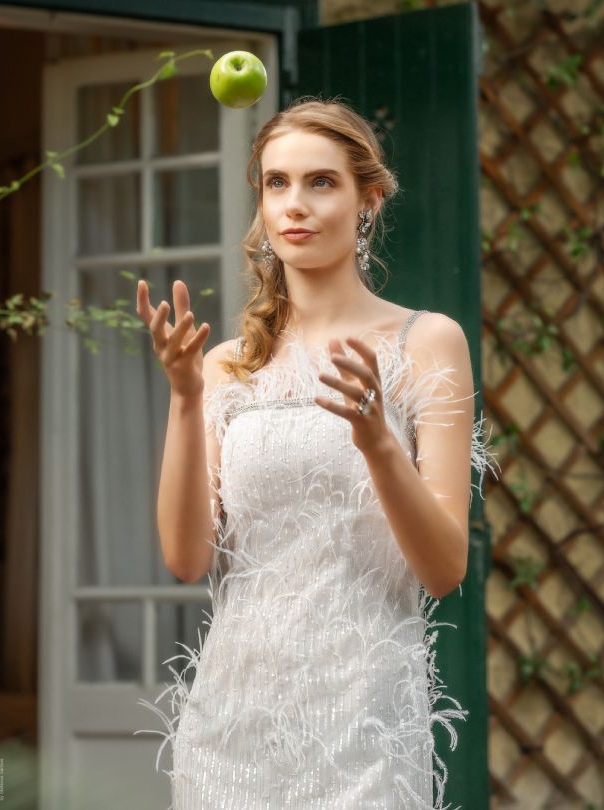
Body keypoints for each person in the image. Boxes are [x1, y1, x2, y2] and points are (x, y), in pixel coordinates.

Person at [134, 96, 495, 809]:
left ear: (370, 199)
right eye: (277, 183)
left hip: (363, 721)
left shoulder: (426, 342)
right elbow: (184, 559)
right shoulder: (225, 366)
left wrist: (376, 442)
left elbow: (444, 567)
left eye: (321, 182)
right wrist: (182, 397)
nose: (294, 204)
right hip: (231, 724)